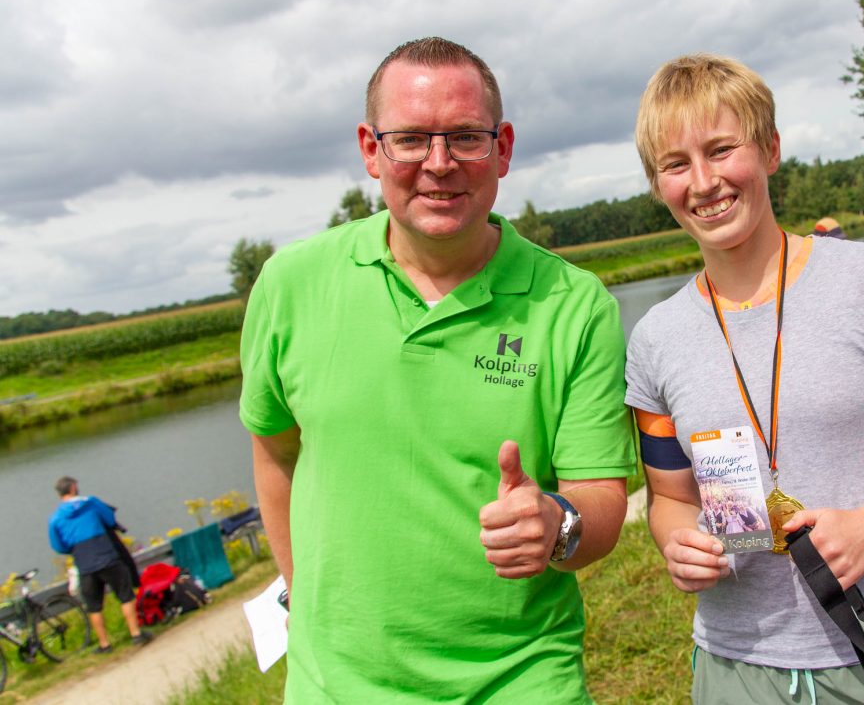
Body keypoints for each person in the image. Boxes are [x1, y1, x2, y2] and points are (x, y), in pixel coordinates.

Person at [239, 37, 636, 703]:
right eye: (412, 139)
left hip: (520, 679)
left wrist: (556, 524)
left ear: (503, 148)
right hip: (334, 687)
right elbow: (275, 452)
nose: (440, 164)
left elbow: (601, 500)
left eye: (466, 138)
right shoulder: (290, 284)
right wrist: (305, 594)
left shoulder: (574, 305)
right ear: (372, 149)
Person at [628, 53, 864, 703]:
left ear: (770, 150)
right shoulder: (655, 338)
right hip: (737, 667)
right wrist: (680, 542)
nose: (704, 182)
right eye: (676, 164)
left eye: (722, 150)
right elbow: (670, 498)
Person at [48, 477, 152, 652]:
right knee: (125, 595)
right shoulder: (91, 503)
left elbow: (58, 545)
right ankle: (136, 634)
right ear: (73, 488)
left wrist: (75, 549)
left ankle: (105, 644)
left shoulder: (55, 519)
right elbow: (110, 519)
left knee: (94, 606)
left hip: (84, 563)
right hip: (106, 556)